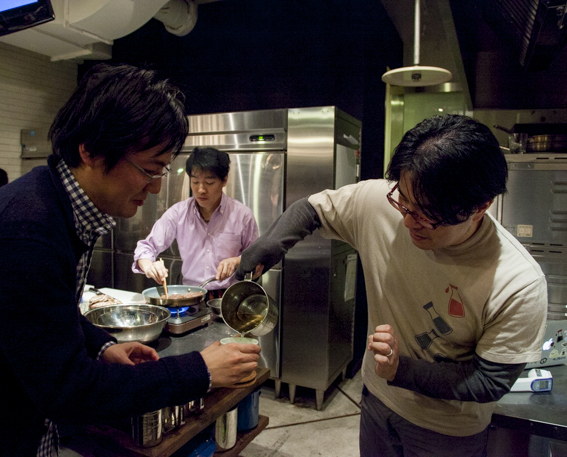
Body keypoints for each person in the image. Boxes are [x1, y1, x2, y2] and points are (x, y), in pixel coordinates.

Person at [236, 114, 547, 456]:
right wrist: (272, 243)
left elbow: (490, 380)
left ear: (480, 206)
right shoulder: (382, 203)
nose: (409, 221)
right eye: (404, 202)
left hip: (447, 430)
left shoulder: (518, 282)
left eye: (427, 214)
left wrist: (402, 369)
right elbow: (312, 209)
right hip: (377, 399)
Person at [0, 63, 260, 456]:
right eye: (150, 169)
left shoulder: (58, 206)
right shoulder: (28, 231)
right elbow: (69, 392)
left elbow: (49, 317)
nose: (155, 187)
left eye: (163, 171)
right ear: (91, 149)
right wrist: (201, 370)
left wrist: (101, 346)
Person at [132, 147, 259, 298]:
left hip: (231, 297)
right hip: (191, 295)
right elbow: (146, 247)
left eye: (209, 182)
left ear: (224, 180)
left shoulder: (242, 215)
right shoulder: (179, 213)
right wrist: (149, 267)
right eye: (195, 182)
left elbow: (257, 259)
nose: (200, 189)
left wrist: (236, 261)